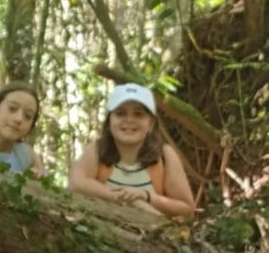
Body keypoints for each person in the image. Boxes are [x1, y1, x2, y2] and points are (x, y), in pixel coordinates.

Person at [68, 83, 195, 218]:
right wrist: (130, 200)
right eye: (120, 113)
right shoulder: (97, 150)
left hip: (154, 230)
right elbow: (76, 183)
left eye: (138, 114)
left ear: (151, 124)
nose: (129, 120)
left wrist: (146, 196)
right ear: (109, 121)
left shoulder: (164, 155)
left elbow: (187, 210)